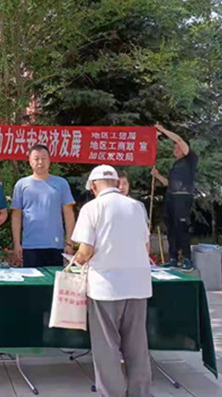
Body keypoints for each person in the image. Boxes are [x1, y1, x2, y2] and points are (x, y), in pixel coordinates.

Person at [72, 165, 152, 397]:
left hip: (105, 287)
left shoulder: (92, 208)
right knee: (137, 345)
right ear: (117, 183)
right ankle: (140, 392)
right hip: (138, 285)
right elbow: (144, 243)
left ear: (94, 186)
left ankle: (112, 393)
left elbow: (86, 250)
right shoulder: (136, 206)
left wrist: (76, 261)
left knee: (107, 347)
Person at [11, 144, 76, 267]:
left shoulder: (61, 183)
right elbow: (16, 216)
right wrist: (17, 244)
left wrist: (69, 242)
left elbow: (68, 214)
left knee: (53, 278)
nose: (40, 162)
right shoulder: (21, 184)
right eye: (36, 159)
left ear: (49, 160)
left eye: (44, 158)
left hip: (55, 244)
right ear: (30, 161)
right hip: (30, 245)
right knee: (32, 279)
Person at [151, 124, 199, 271]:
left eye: (178, 147)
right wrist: (158, 176)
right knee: (171, 228)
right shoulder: (176, 165)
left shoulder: (190, 159)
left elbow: (178, 139)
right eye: (174, 147)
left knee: (181, 227)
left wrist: (162, 130)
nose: (175, 149)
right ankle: (173, 258)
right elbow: (169, 183)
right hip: (170, 197)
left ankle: (187, 259)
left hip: (182, 198)